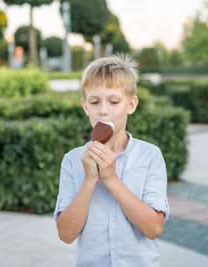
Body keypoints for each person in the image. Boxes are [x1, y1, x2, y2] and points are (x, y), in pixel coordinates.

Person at [54, 54, 170, 267]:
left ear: (131, 104)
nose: (103, 110)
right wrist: (89, 179)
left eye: (114, 101)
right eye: (95, 102)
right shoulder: (72, 161)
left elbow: (154, 229)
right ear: (85, 106)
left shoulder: (150, 156)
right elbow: (66, 234)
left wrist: (111, 178)